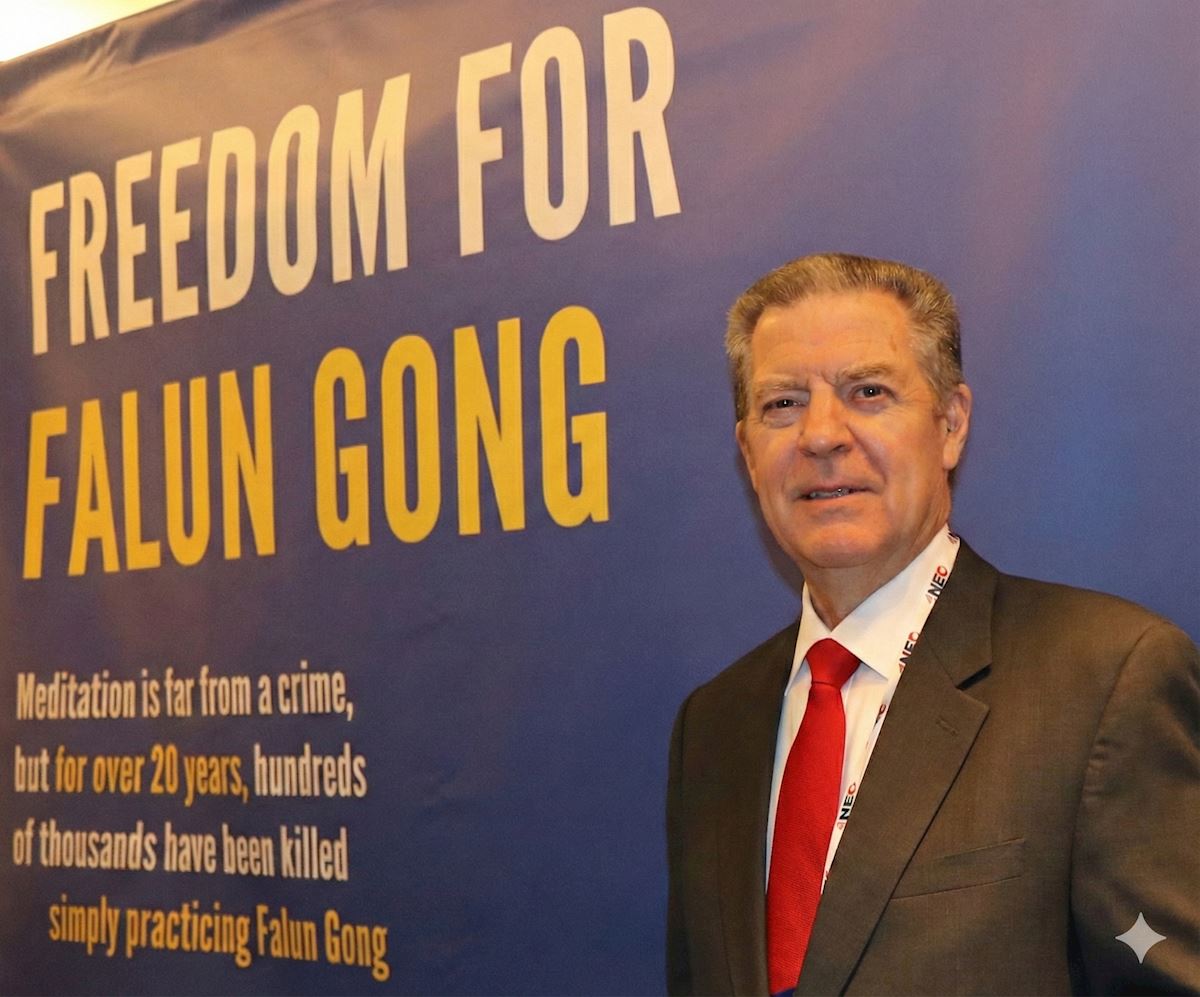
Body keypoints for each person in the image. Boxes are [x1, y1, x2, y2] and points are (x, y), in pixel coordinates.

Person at [666, 253, 1199, 996]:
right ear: (749, 454)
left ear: (950, 425)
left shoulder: (1105, 678)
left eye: (868, 391)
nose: (821, 435)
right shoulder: (712, 727)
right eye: (783, 403)